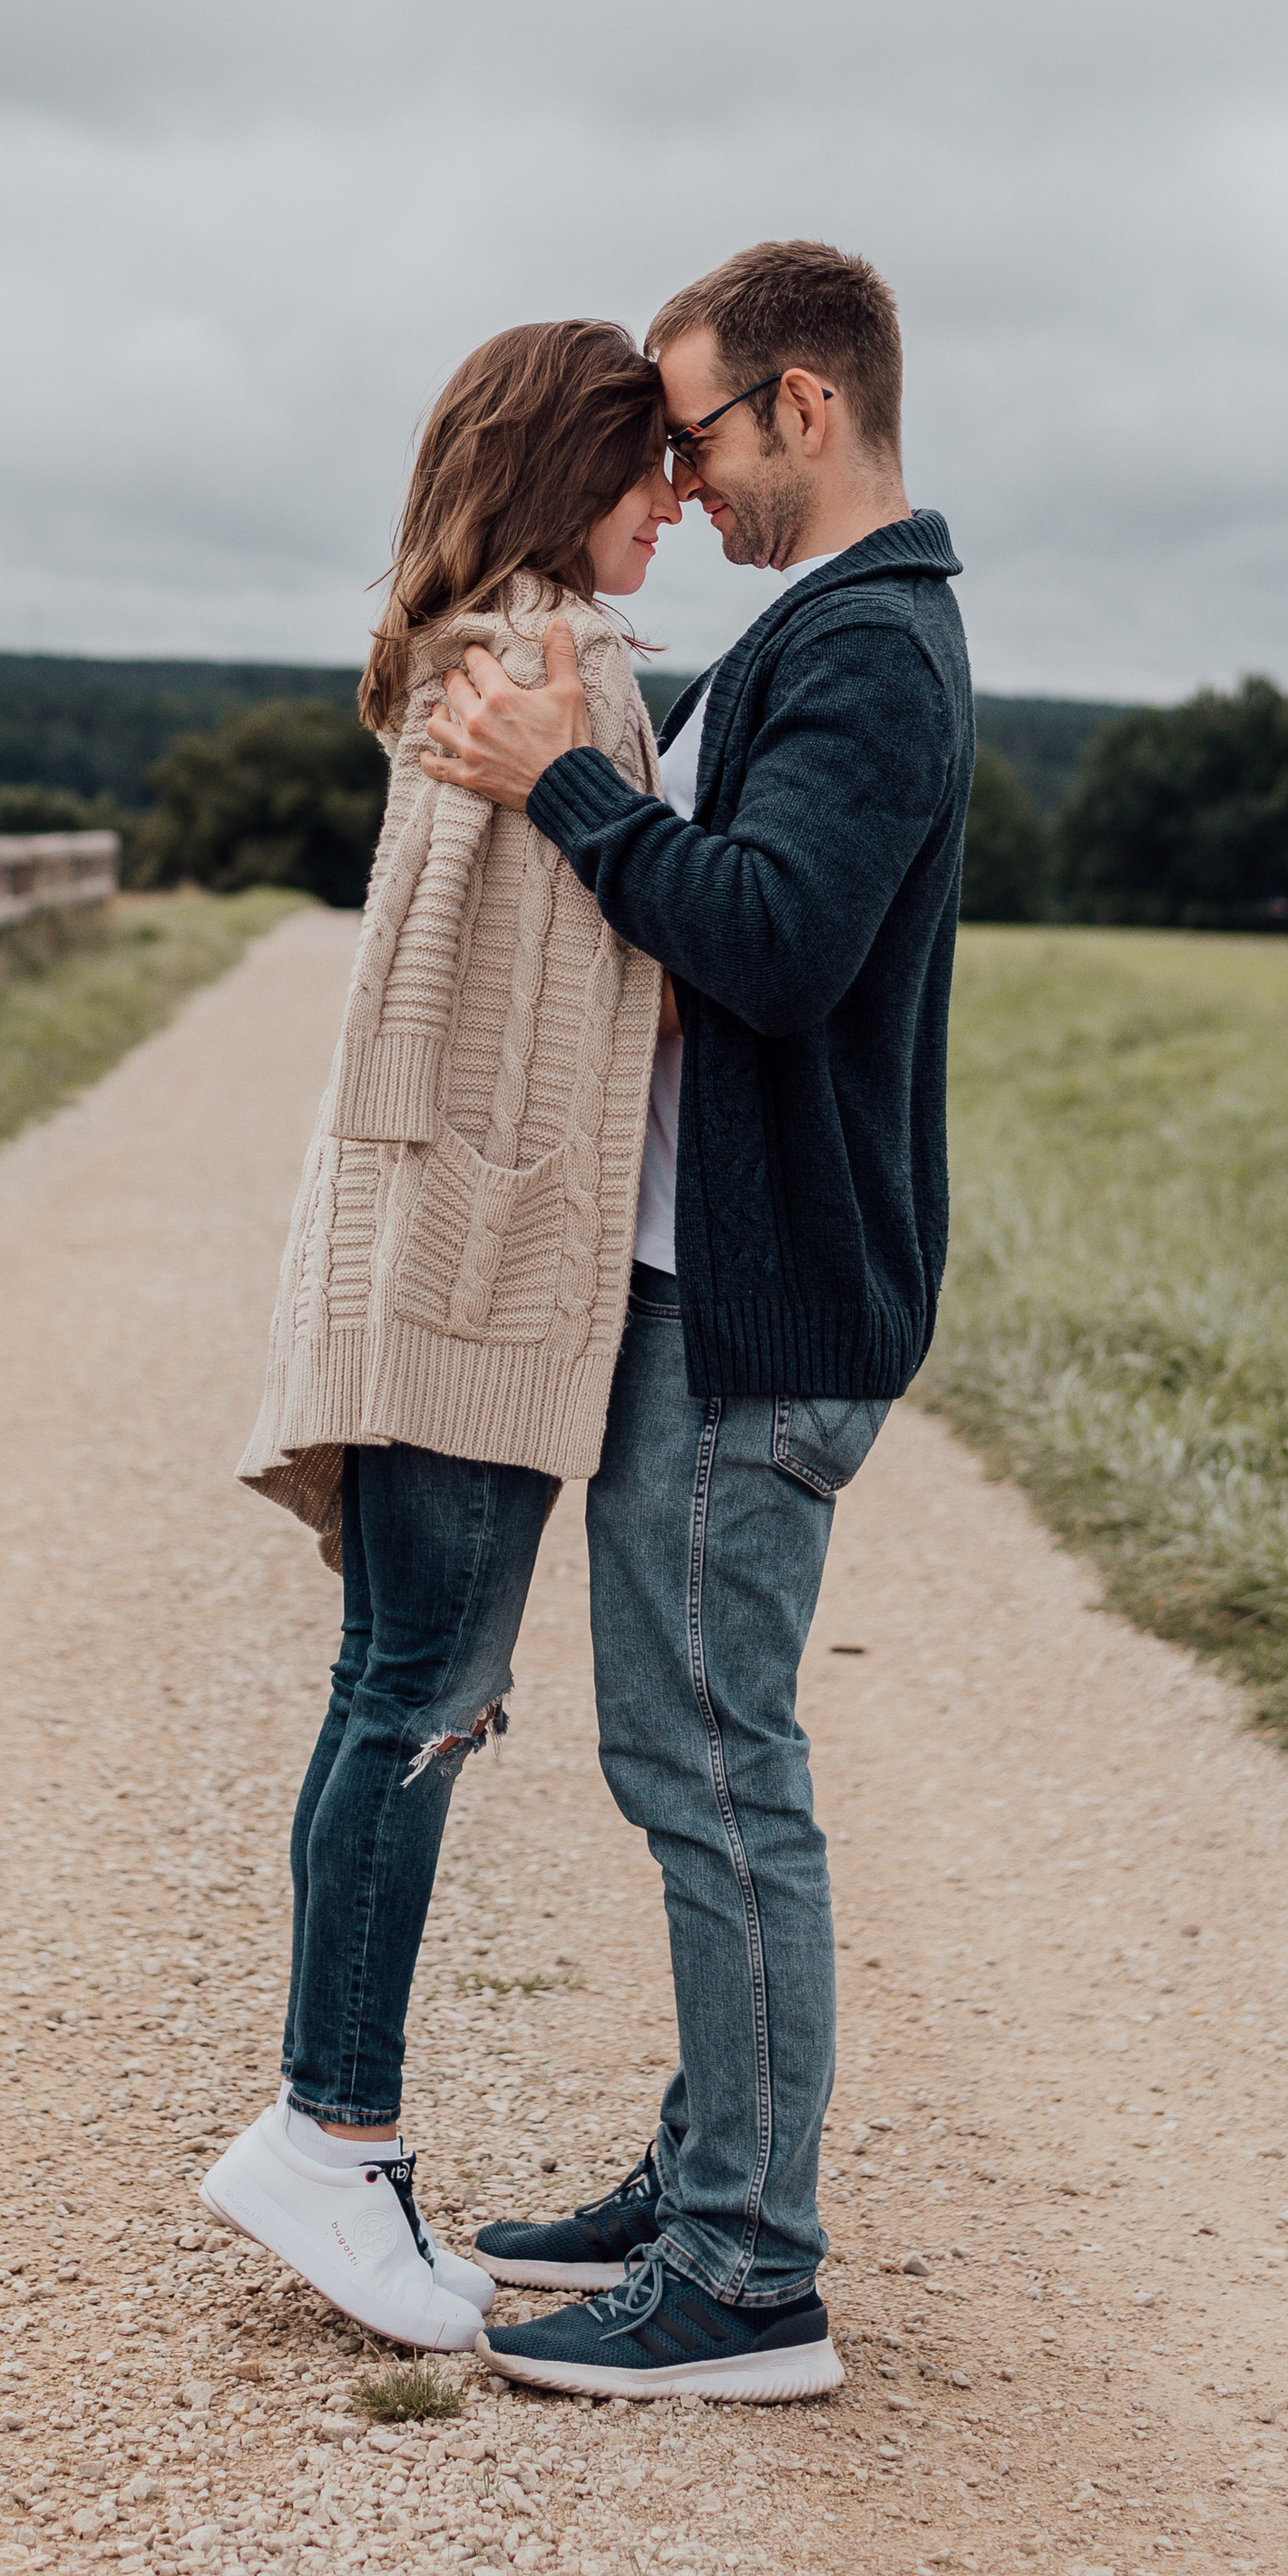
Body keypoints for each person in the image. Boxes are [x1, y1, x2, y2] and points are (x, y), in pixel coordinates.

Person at [418, 239, 974, 2401]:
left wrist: (564, 787)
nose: (682, 476)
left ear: (800, 405)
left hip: (764, 1311)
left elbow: (770, 940)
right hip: (710, 1288)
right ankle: (701, 2174)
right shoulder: (815, 632)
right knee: (687, 1753)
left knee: (711, 1764)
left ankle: (747, 2275)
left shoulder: (869, 652)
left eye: (697, 432)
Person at [200, 319, 682, 2352]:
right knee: (419, 1696)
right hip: (472, 1274)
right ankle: (333, 2139)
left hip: (438, 1257)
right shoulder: (540, 660)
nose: (675, 504)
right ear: (571, 467)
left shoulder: (488, 648)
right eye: (649, 467)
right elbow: (470, 991)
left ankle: (331, 2131)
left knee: (393, 1688)